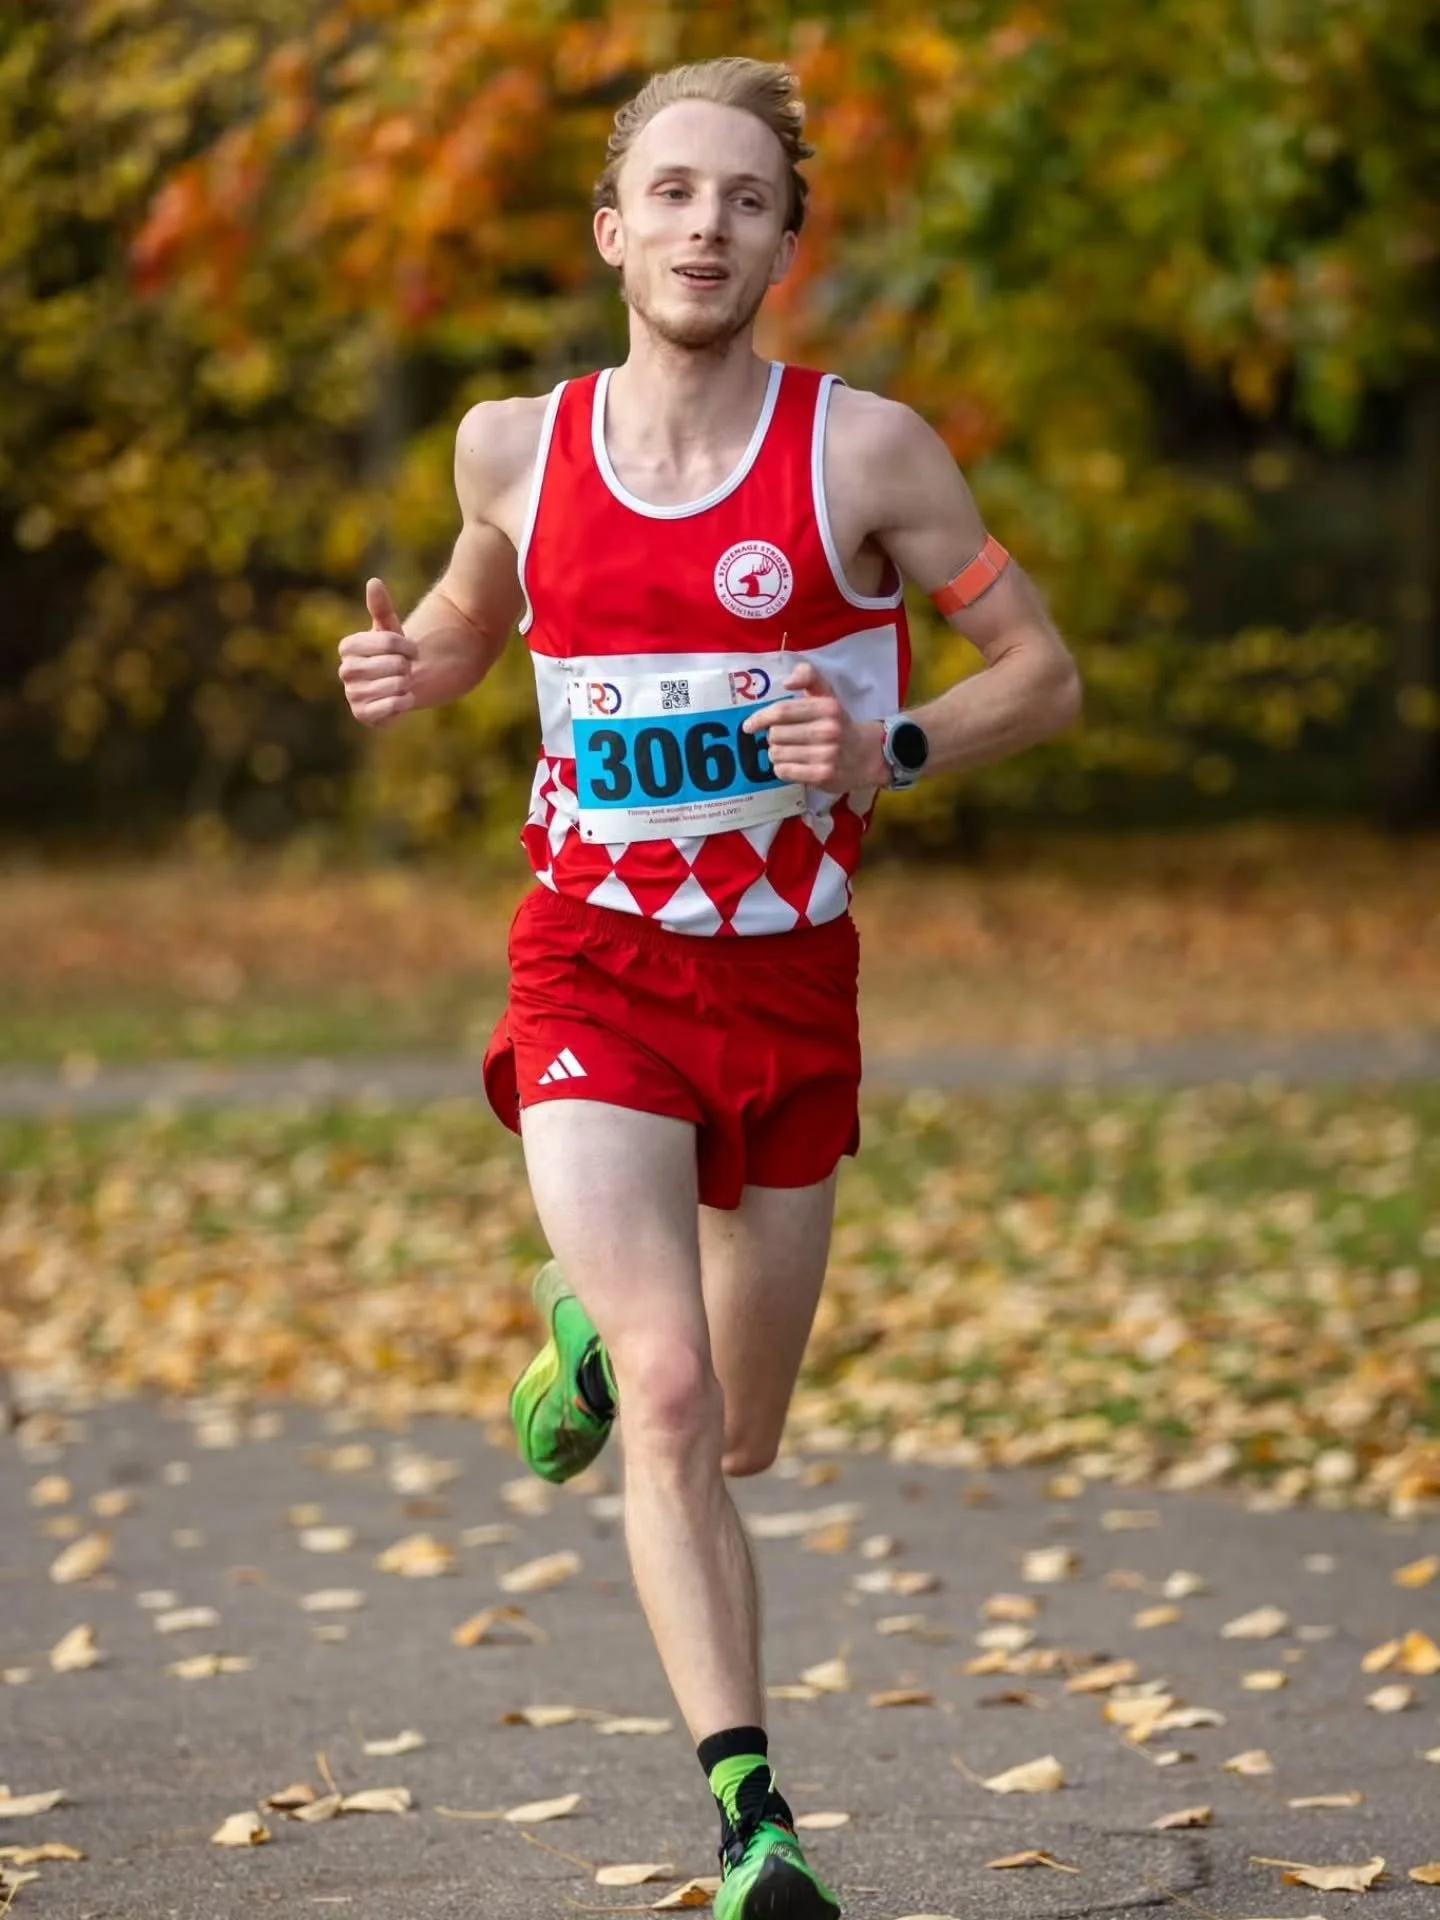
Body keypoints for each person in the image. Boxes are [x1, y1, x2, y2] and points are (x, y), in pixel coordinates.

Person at [338, 54, 1081, 1920]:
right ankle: (755, 1821)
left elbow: (1044, 674)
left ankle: (579, 1333)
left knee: (739, 1423)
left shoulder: (867, 452)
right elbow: (475, 598)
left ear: (782, 242)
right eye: (671, 192)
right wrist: (420, 667)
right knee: (674, 1405)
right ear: (613, 228)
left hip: (788, 983)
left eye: (744, 199)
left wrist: (887, 745)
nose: (704, 225)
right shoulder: (514, 440)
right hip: (591, 960)